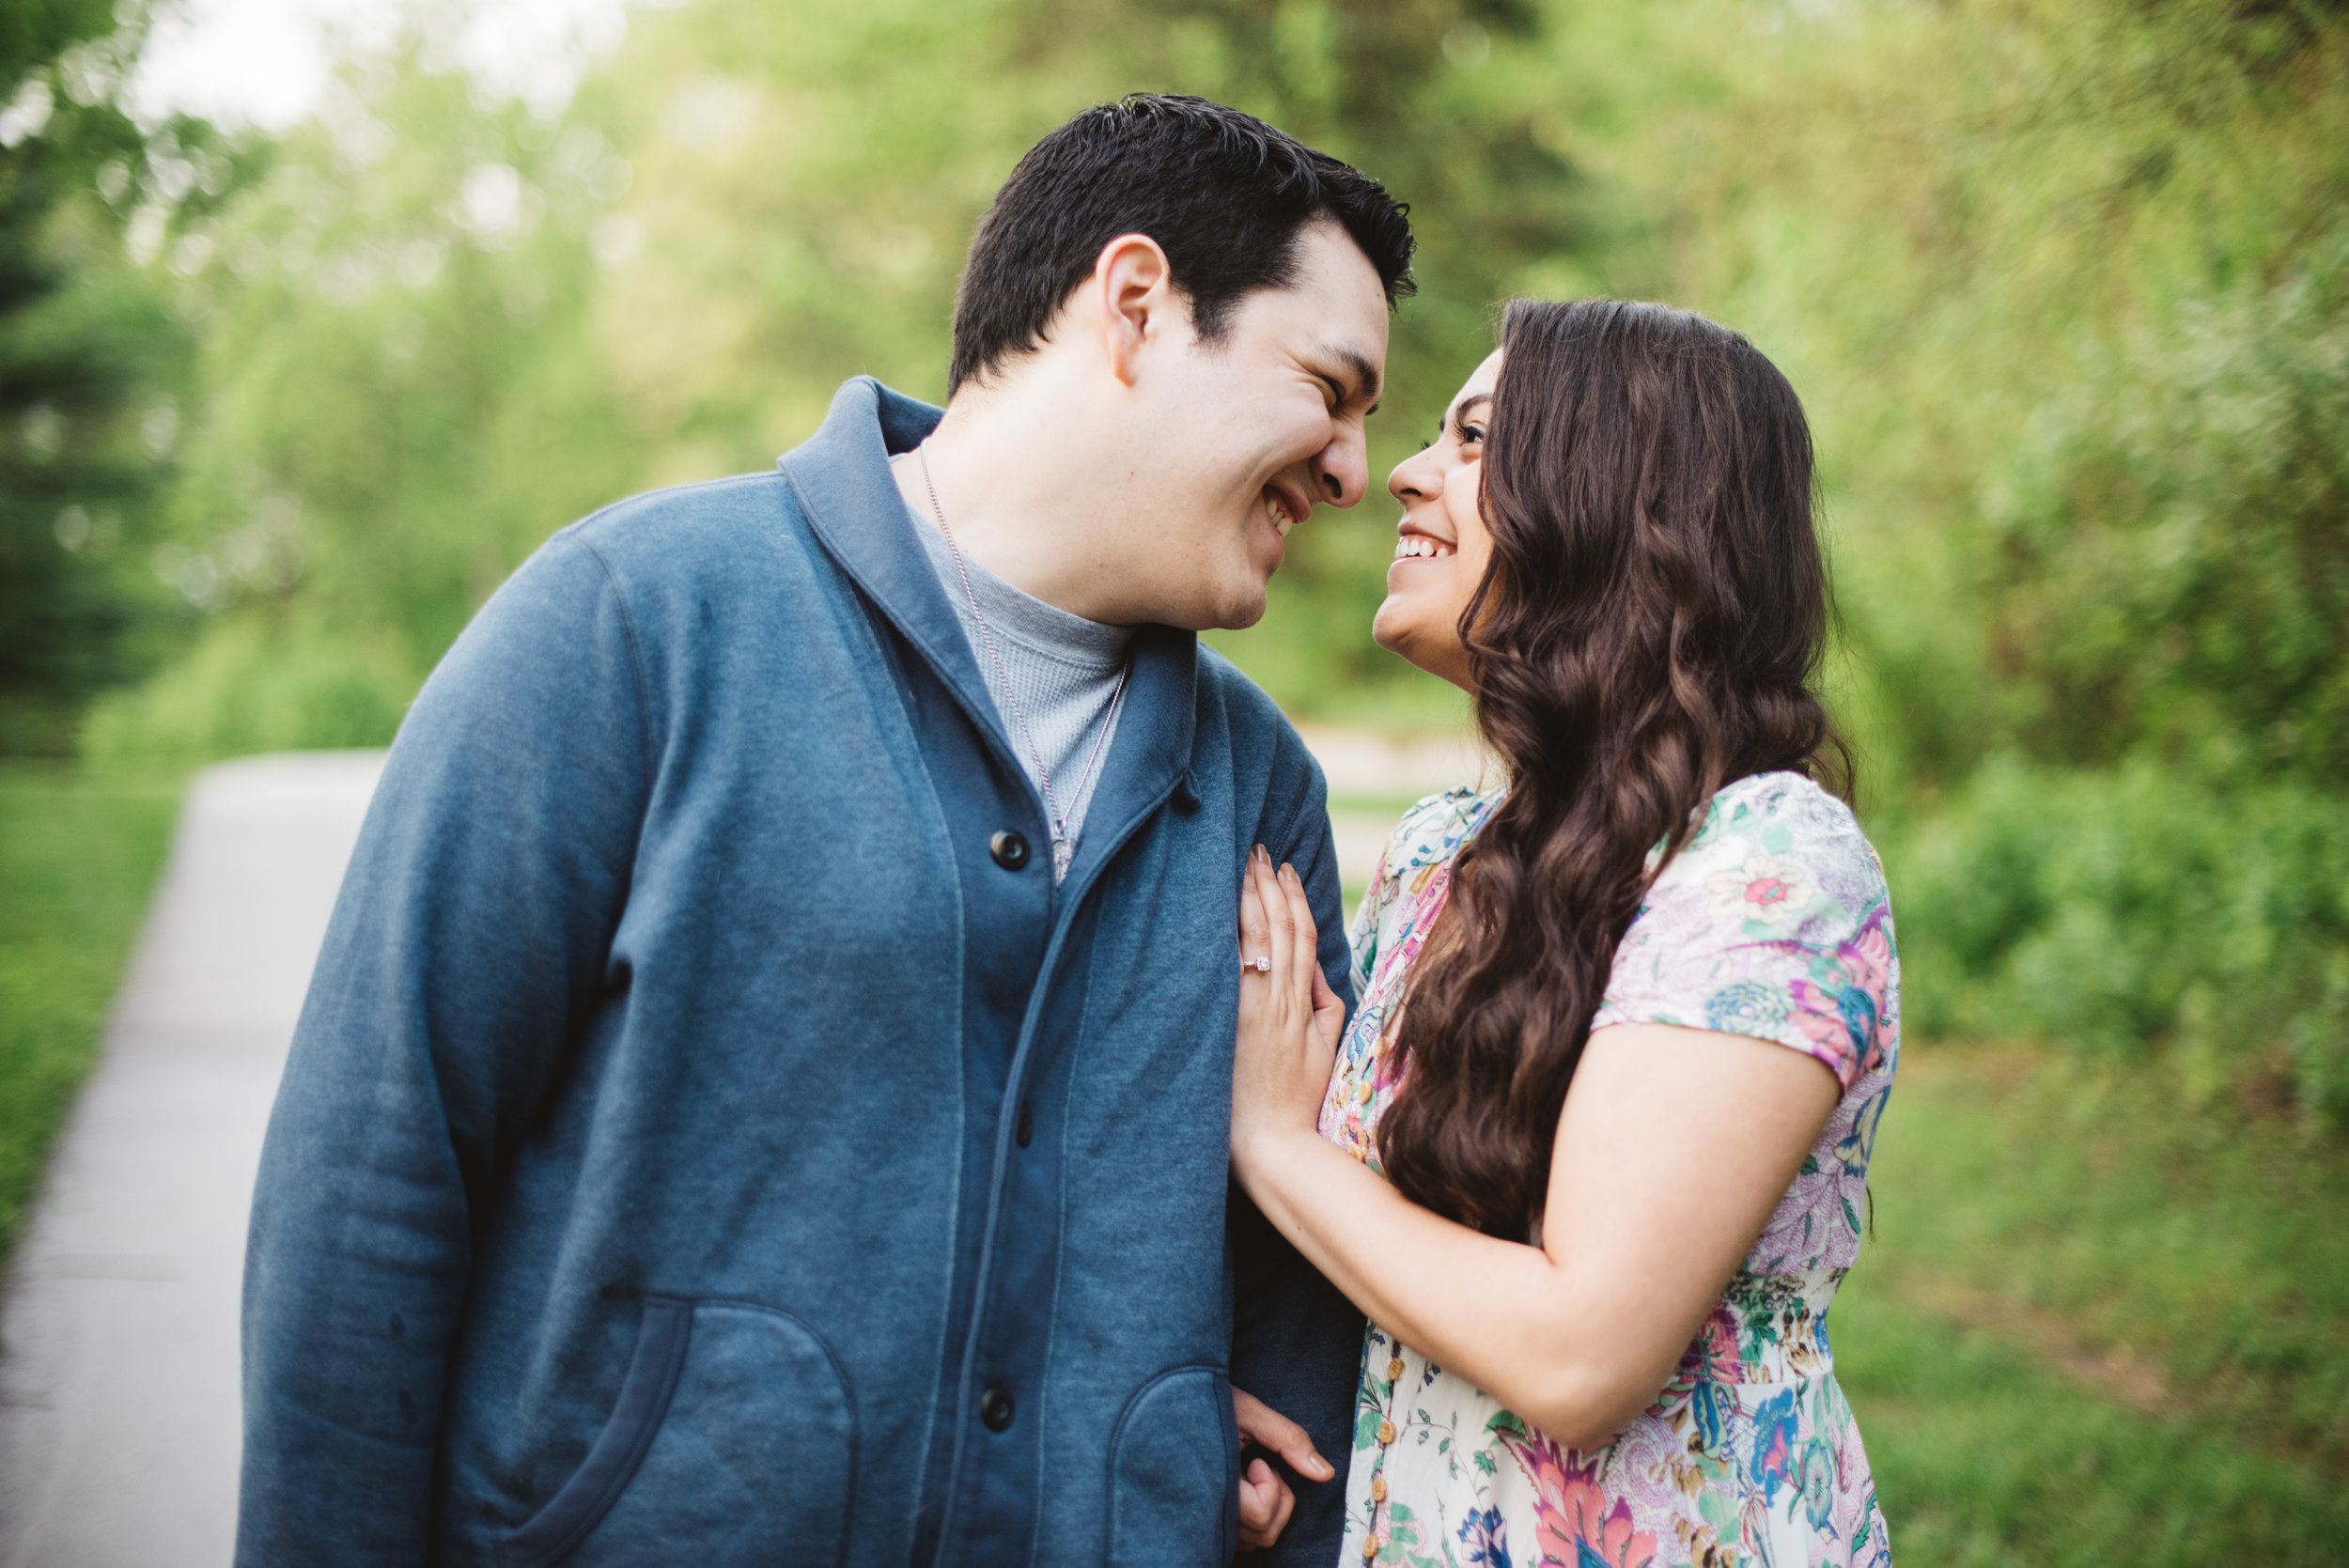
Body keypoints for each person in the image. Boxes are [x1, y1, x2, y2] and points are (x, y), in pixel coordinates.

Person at [236, 94, 1413, 1567]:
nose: (1357, 472)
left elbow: (1294, 1302)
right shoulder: (632, 626)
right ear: (1135, 306)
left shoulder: (1256, 786)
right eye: (1330, 386)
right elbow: (376, 1174)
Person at [1228, 299, 1899, 1567]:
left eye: (1475, 439)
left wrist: (1270, 1138)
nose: (1406, 477)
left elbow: (1579, 1351)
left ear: (1622, 504)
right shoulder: (1439, 855)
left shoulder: (1766, 864)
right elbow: (1386, 1265)